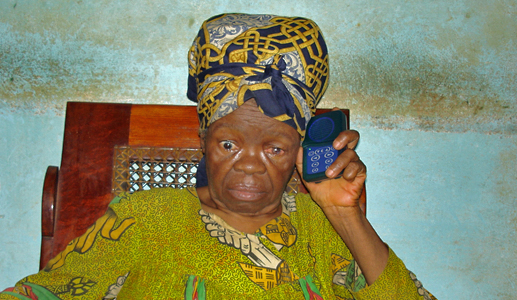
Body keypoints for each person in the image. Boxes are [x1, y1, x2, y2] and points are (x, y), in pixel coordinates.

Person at [1, 13, 435, 299]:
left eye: (274, 147)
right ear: (204, 139)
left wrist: (345, 215)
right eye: (229, 144)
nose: (248, 164)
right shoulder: (146, 219)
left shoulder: (321, 231)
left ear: (299, 154)